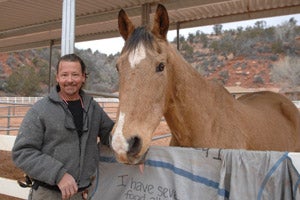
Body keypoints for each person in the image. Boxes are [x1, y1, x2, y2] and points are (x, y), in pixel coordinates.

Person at [12, 53, 114, 200]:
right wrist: (59, 175)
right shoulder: (40, 110)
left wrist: (136, 150)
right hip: (48, 194)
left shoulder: (93, 108)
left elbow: (110, 135)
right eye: (64, 75)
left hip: (83, 194)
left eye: (75, 75)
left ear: (83, 77)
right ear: (57, 77)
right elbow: (22, 152)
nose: (70, 80)